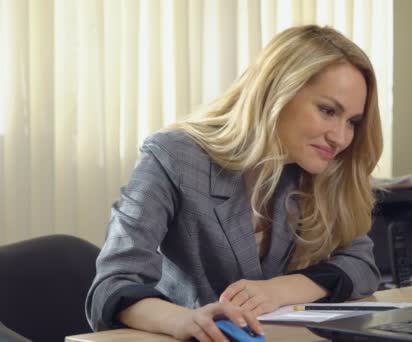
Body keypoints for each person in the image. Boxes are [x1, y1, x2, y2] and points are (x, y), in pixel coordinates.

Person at [86, 24, 383, 341]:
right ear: (276, 91)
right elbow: (111, 286)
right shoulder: (174, 156)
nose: (340, 137)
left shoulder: (318, 171)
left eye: (352, 122)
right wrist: (186, 321)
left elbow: (361, 264)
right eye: (327, 110)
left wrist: (278, 291)